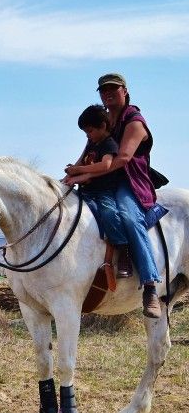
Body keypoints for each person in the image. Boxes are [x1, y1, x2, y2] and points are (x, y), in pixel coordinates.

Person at [66, 73, 165, 317]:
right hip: (101, 179)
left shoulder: (134, 121)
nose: (108, 93)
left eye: (113, 89)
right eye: (103, 90)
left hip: (127, 180)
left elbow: (121, 160)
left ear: (125, 90)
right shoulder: (103, 120)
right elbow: (88, 149)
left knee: (129, 218)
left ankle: (150, 285)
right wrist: (71, 174)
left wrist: (81, 171)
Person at [62, 105, 130, 276]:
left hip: (103, 191)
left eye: (90, 131)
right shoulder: (92, 143)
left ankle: (123, 250)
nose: (88, 135)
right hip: (86, 190)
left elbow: (106, 165)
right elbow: (81, 162)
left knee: (108, 213)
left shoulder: (108, 144)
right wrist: (71, 171)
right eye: (86, 132)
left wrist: (79, 172)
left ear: (103, 126)